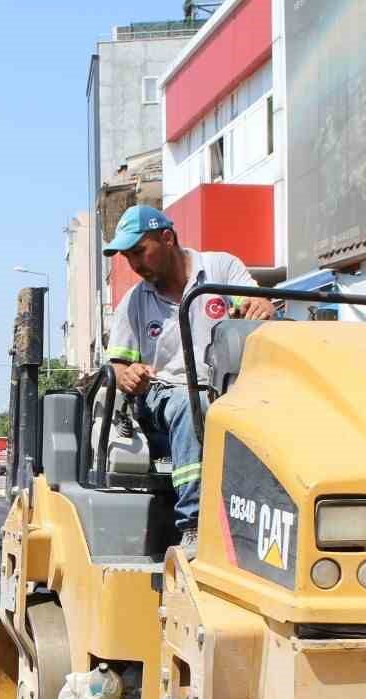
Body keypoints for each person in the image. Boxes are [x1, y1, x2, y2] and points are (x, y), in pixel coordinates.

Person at [102, 205, 273, 559]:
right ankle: (194, 524)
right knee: (188, 404)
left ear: (167, 238)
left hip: (230, 391)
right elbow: (116, 367)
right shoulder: (134, 302)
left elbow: (255, 302)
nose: (134, 265)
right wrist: (127, 374)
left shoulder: (221, 268)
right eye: (127, 256)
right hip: (163, 397)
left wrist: (260, 305)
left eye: (139, 251)